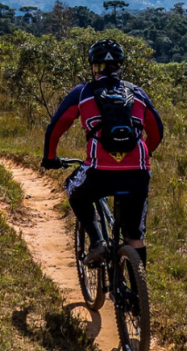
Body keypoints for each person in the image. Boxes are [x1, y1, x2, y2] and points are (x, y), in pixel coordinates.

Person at [41, 38, 164, 267]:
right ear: (120, 66)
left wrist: (50, 158)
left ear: (93, 66)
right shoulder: (137, 93)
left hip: (99, 172)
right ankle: (137, 294)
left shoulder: (82, 92)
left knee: (73, 190)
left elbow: (55, 127)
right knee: (135, 236)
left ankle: (97, 241)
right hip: (137, 173)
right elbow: (157, 132)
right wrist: (144, 155)